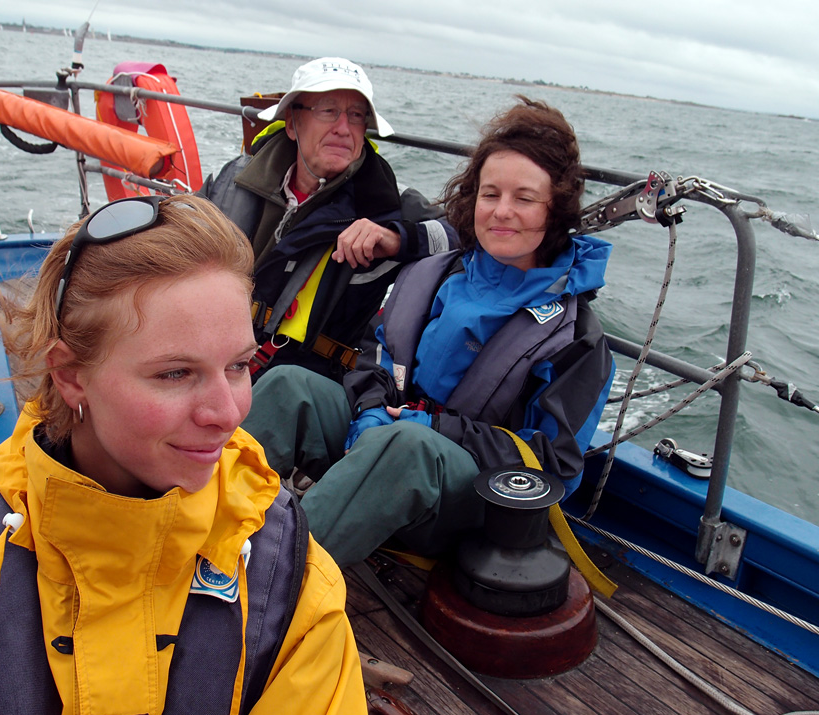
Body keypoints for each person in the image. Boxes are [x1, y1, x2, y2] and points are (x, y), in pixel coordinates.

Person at [0, 195, 372, 715]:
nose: (228, 413)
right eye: (176, 373)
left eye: (237, 366)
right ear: (70, 375)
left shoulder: (292, 583)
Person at [241, 97, 615, 567]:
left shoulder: (575, 337)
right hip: (383, 445)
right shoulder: (431, 275)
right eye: (490, 194)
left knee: (407, 446)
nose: (501, 211)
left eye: (524, 198)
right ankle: (194, 516)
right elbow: (371, 359)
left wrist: (435, 429)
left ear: (555, 210)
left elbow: (554, 466)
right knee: (289, 385)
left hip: (473, 502)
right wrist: (373, 410)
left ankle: (271, 582)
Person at [200, 57, 457, 382]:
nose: (343, 128)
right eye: (327, 111)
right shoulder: (233, 180)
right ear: (292, 124)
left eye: (356, 116)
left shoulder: (388, 202)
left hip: (307, 380)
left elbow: (465, 234)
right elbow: (172, 241)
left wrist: (397, 239)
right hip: (213, 350)